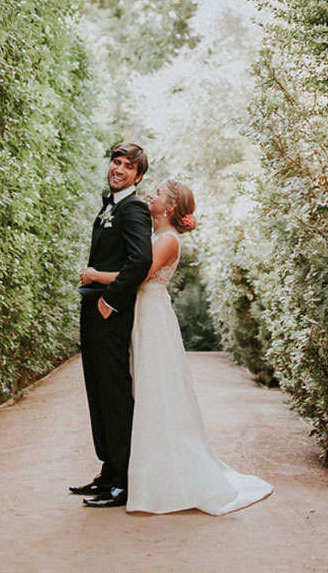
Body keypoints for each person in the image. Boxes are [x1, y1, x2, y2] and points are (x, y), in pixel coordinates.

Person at [80, 179, 273, 515]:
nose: (150, 196)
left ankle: (154, 474)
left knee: (156, 391)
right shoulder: (153, 235)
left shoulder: (167, 240)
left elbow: (137, 273)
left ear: (168, 207)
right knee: (138, 390)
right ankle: (127, 469)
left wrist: (96, 275)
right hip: (139, 315)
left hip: (152, 318)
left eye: (156, 194)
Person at [70, 143, 153, 508]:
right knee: (98, 393)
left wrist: (109, 299)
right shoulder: (111, 204)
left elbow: (140, 261)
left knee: (116, 396)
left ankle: (123, 481)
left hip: (110, 314)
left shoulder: (133, 209)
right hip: (93, 313)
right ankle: (108, 471)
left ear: (138, 175)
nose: (118, 169)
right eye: (115, 162)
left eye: (127, 166)